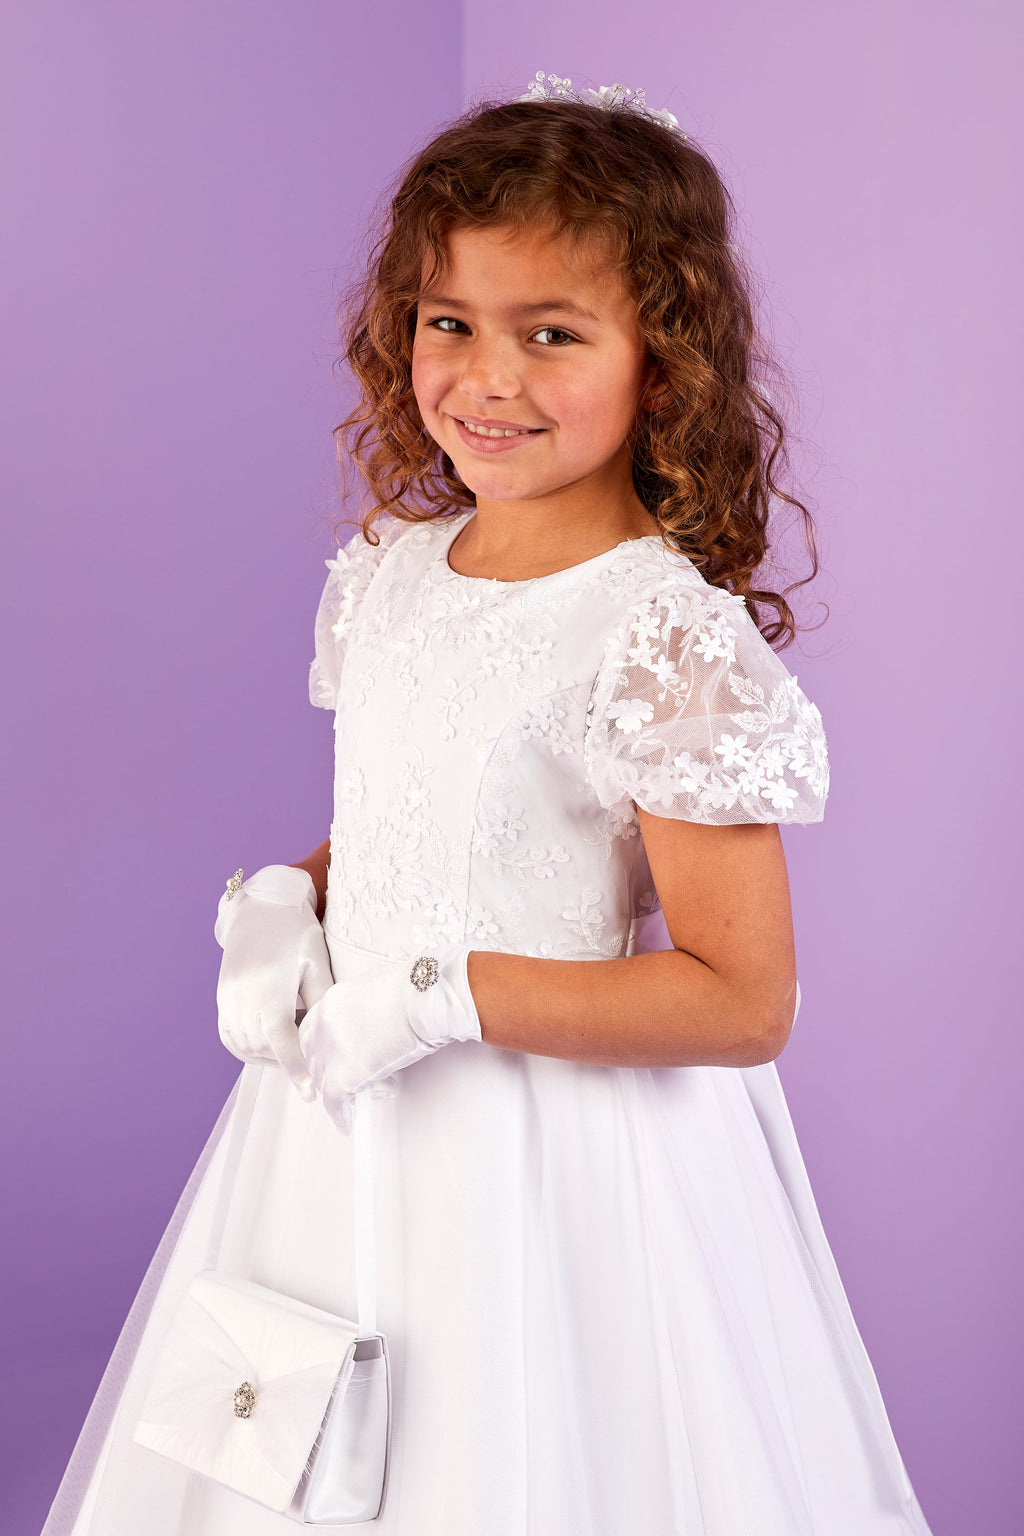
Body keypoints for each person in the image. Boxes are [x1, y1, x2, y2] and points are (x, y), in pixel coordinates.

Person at [41, 72, 933, 1535]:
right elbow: (435, 819)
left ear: (665, 363)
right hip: (339, 1127)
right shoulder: (393, 573)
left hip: (552, 1166)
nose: (487, 377)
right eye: (449, 321)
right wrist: (295, 896)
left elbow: (742, 998)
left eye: (552, 333)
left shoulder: (659, 635)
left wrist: (437, 994)